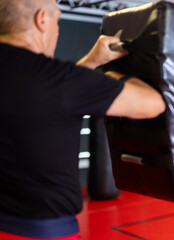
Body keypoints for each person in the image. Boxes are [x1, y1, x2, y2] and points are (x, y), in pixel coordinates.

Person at [0, 0, 165, 239]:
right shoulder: (55, 78)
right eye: (58, 20)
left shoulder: (53, 82)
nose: (57, 29)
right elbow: (153, 104)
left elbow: (52, 93)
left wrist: (90, 63)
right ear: (42, 20)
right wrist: (115, 72)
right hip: (43, 233)